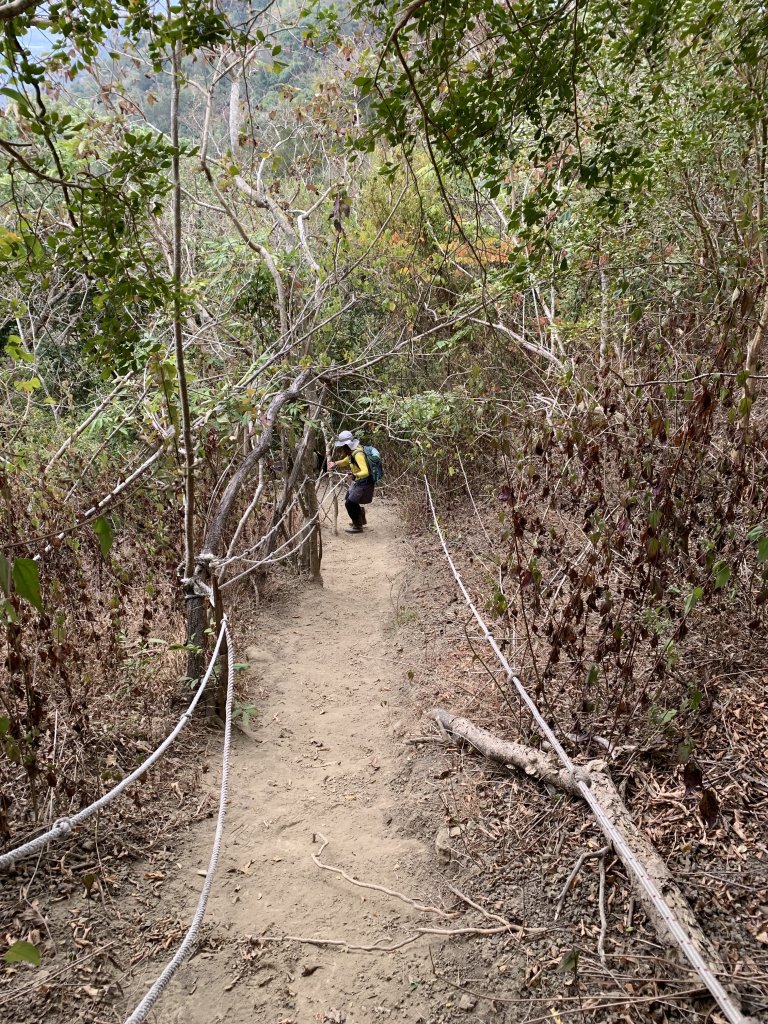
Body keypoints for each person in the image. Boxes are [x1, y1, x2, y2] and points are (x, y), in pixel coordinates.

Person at [328, 429, 374, 534]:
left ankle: (358, 526)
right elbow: (347, 461)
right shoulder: (352, 451)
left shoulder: (358, 454)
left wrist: (355, 475)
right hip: (359, 481)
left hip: (364, 482)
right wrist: (335, 463)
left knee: (350, 503)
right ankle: (361, 520)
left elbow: (365, 472)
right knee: (349, 498)